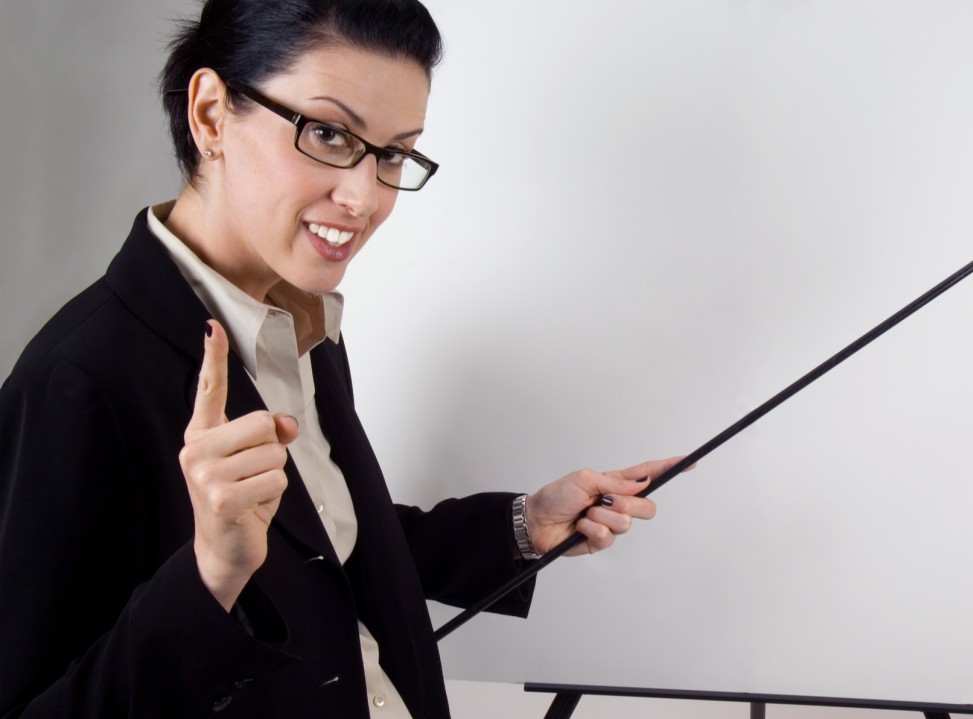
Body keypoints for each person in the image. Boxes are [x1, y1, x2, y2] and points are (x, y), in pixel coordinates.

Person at [0, 1, 686, 716]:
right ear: (210, 115)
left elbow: (326, 539)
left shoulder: (301, 318)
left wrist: (522, 525)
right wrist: (210, 577)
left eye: (392, 154)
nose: (363, 198)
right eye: (328, 134)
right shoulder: (76, 381)